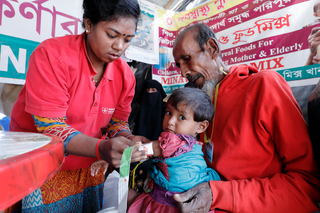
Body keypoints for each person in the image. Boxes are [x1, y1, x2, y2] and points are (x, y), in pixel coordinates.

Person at [8, 0, 149, 212]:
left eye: (128, 39)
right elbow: (50, 127)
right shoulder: (53, 56)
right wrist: (100, 147)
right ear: (89, 24)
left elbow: (116, 123)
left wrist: (127, 138)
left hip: (90, 168)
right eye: (112, 35)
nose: (119, 47)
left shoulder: (126, 76)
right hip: (42, 169)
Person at [171, 23, 320, 212]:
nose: (184, 72)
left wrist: (219, 194)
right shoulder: (200, 103)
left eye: (187, 58)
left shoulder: (263, 86)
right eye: (179, 64)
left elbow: (308, 185)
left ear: (212, 48)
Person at [128, 87, 220, 213]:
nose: (170, 121)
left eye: (182, 117)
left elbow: (139, 150)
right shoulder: (195, 145)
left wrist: (124, 146)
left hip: (168, 205)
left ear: (201, 126)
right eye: (168, 113)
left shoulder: (173, 142)